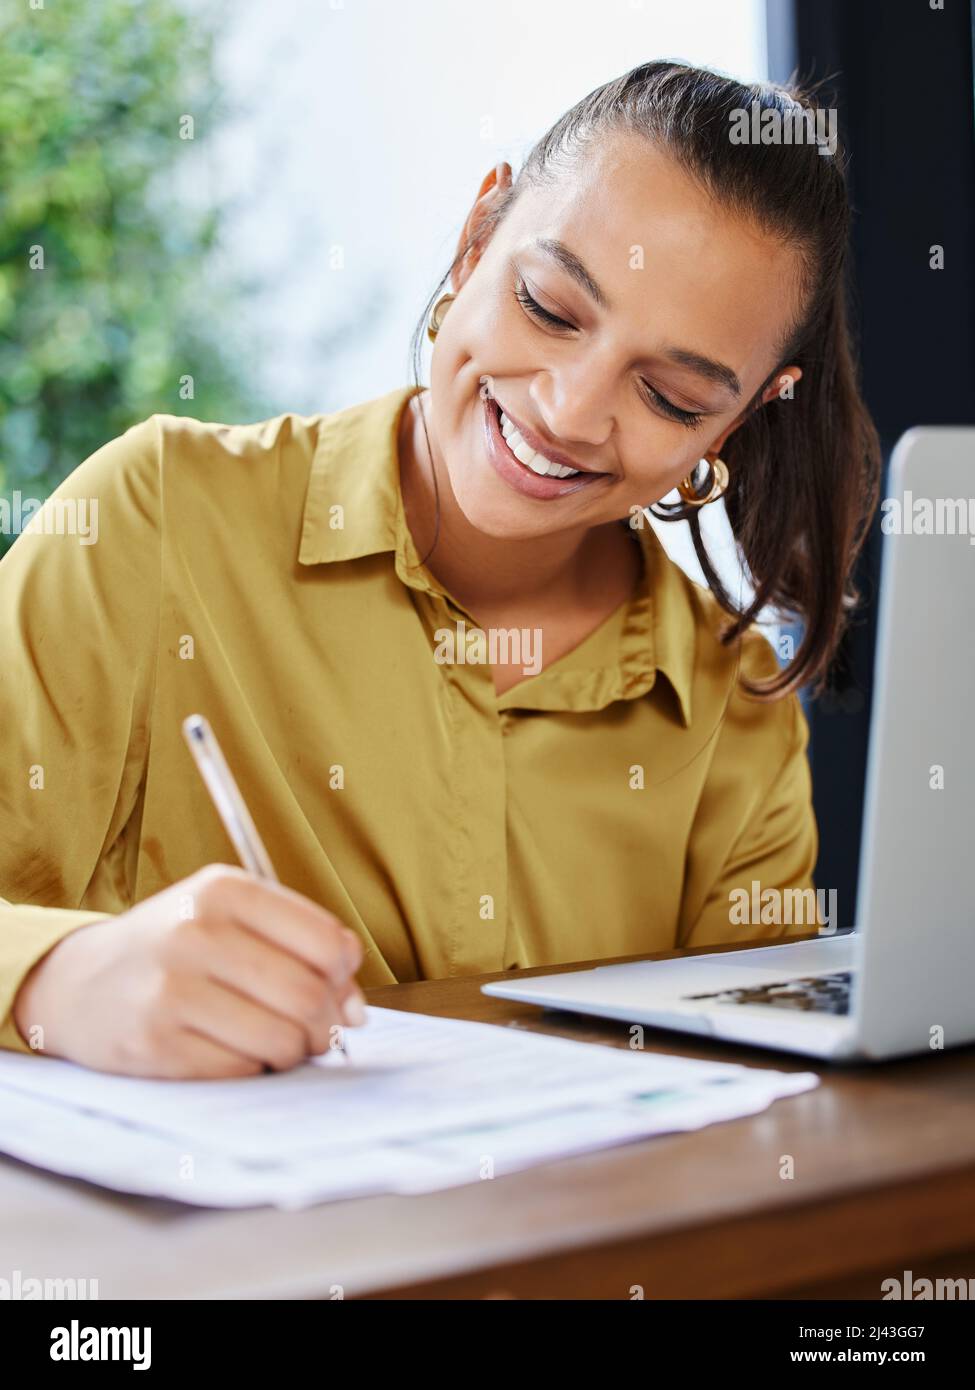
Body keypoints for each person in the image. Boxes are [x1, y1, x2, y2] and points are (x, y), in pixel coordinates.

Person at [0, 60, 880, 1079]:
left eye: (674, 397)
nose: (567, 409)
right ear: (476, 240)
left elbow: (751, 1111)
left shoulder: (732, 702)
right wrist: (53, 978)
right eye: (550, 307)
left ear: (746, 410)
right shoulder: (156, 520)